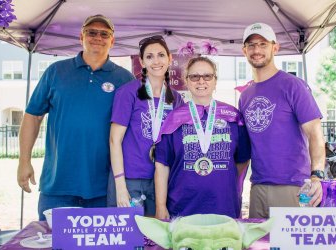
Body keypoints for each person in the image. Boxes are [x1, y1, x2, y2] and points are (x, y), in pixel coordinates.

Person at [17, 14, 134, 220]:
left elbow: (135, 130)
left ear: (112, 41)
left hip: (105, 188)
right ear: (81, 37)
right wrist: (24, 160)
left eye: (104, 34)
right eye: (91, 32)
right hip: (58, 186)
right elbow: (33, 117)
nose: (97, 37)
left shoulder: (125, 79)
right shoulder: (56, 72)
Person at [238, 23, 325, 218]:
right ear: (244, 51)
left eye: (263, 44)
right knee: (256, 246)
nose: (257, 50)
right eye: (251, 45)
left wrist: (317, 176)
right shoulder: (245, 96)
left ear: (275, 48)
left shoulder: (293, 85)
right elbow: (246, 147)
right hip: (258, 187)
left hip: (293, 187)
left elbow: (315, 133)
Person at [154, 57, 251, 219]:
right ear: (186, 81)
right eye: (194, 76)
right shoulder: (174, 119)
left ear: (215, 81)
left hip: (224, 205)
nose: (201, 81)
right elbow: (162, 165)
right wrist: (160, 206)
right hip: (182, 208)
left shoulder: (233, 117)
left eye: (207, 76)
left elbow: (241, 160)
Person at [107, 35, 183, 216]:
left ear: (169, 58)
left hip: (162, 179)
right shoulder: (129, 92)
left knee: (157, 239)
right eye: (149, 56)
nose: (156, 61)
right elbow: (114, 140)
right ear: (141, 61)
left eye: (161, 55)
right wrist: (120, 186)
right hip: (131, 179)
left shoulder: (176, 98)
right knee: (129, 241)